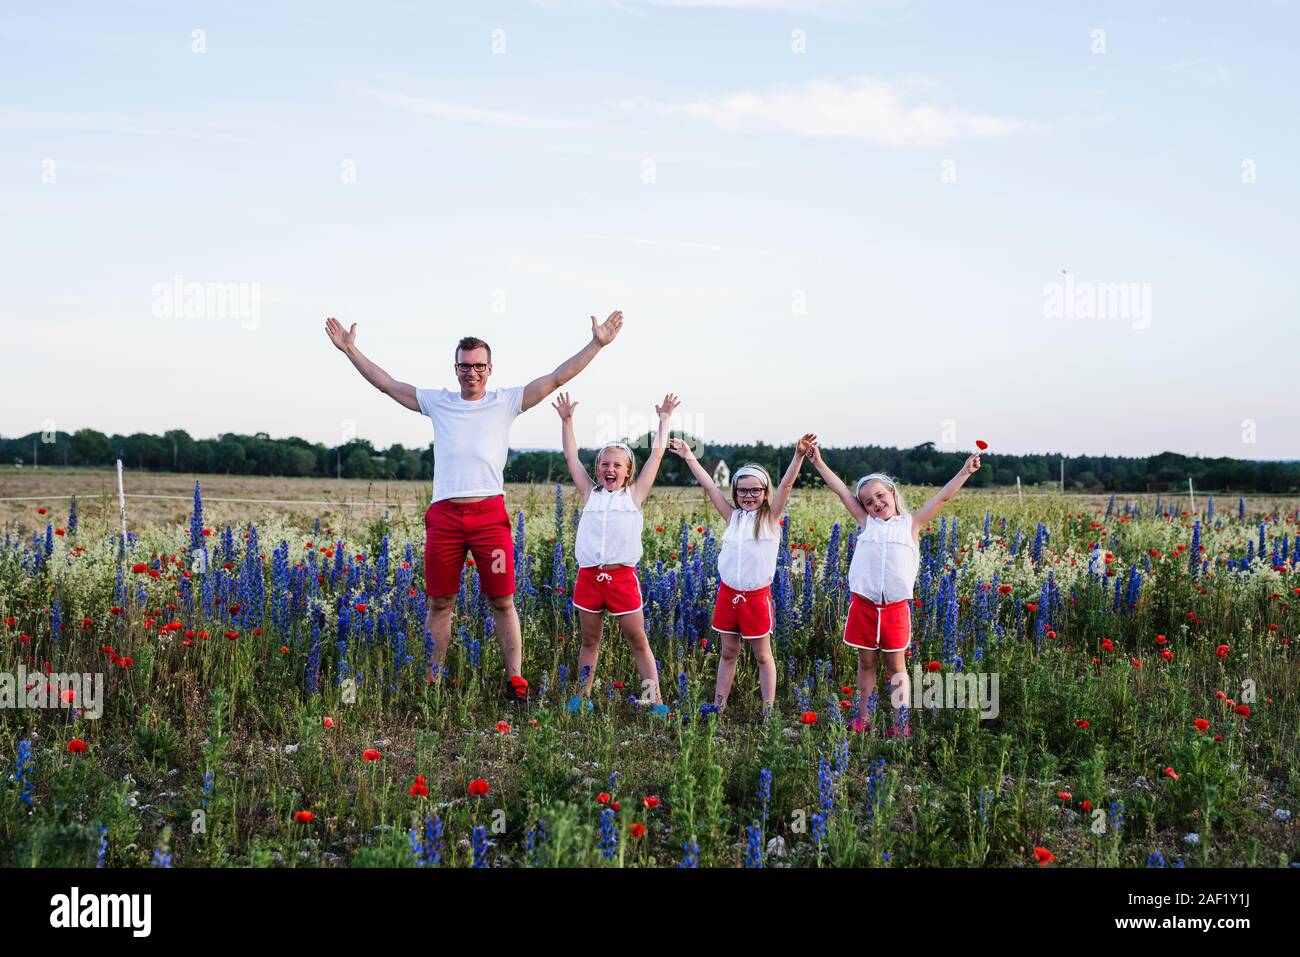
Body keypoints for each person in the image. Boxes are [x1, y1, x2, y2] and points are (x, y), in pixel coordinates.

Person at [324, 311, 624, 701]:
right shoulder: (438, 402)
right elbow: (387, 385)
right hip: (445, 516)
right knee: (440, 602)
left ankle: (516, 680)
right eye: (465, 366)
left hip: (488, 517)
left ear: (489, 368)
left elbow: (556, 378)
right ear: (456, 368)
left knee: (502, 600)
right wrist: (350, 350)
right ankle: (432, 682)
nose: (472, 373)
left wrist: (597, 344)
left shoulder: (506, 401)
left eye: (479, 366)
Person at [807, 445, 982, 734]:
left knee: (896, 667)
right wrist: (819, 463)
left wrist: (965, 470)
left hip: (894, 610)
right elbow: (840, 490)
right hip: (864, 606)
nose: (875, 503)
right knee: (866, 664)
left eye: (880, 496)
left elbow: (943, 496)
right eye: (867, 501)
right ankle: (864, 717)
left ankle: (901, 724)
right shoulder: (867, 524)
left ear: (892, 492)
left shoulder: (911, 524)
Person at [668, 434, 815, 717]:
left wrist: (798, 455)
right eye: (742, 491)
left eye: (755, 490)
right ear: (735, 492)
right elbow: (710, 485)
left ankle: (768, 710)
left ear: (765, 492)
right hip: (727, 594)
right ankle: (718, 705)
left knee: (762, 655)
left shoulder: (771, 519)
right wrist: (689, 455)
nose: (748, 496)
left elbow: (786, 484)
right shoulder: (732, 516)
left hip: (756, 598)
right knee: (728, 652)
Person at [553, 390, 679, 714]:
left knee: (638, 641)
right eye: (605, 464)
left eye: (617, 465)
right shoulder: (589, 494)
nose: (610, 469)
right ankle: (582, 697)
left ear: (627, 472)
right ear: (598, 470)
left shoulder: (634, 496)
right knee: (589, 641)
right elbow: (571, 457)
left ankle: (655, 699)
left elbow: (657, 455)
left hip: (622, 578)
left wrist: (663, 419)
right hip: (590, 578)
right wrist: (567, 421)